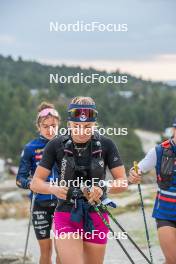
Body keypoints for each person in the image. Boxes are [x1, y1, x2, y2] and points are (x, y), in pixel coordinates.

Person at [30, 96, 128, 264]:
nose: (81, 131)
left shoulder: (106, 144)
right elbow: (36, 183)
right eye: (76, 126)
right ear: (68, 124)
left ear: (95, 124)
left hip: (97, 214)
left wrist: (104, 187)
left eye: (87, 126)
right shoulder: (55, 145)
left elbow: (122, 182)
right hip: (66, 213)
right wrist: (53, 188)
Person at [16, 101, 61, 264]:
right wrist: (31, 184)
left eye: (53, 125)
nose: (50, 129)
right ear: (39, 127)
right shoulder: (30, 148)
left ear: (59, 125)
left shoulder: (66, 144)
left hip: (62, 203)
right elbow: (19, 179)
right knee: (46, 252)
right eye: (45, 126)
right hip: (39, 204)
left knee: (61, 251)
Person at [128, 118, 176, 264]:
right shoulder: (159, 151)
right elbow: (137, 169)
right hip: (165, 214)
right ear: (174, 130)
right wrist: (134, 174)